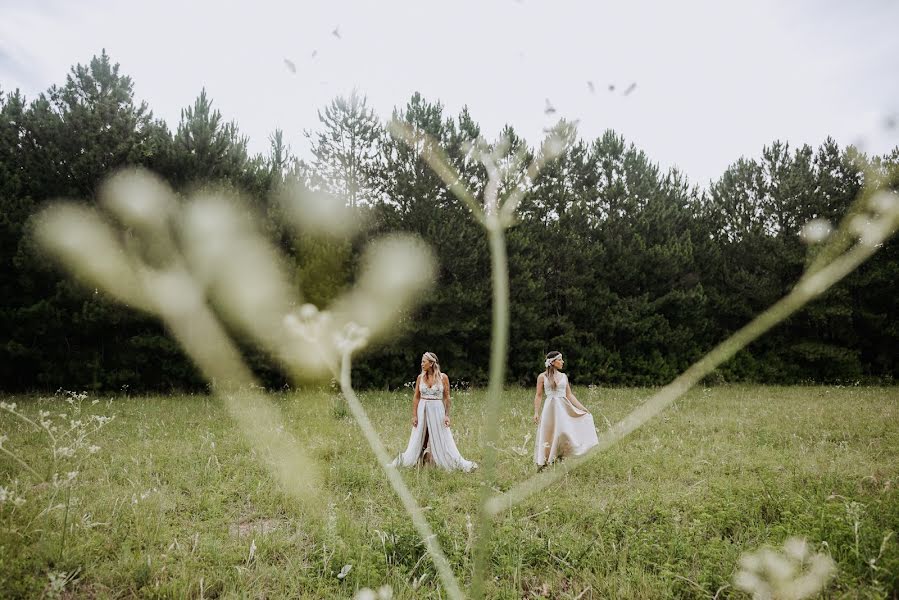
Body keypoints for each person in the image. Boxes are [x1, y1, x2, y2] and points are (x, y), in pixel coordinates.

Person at [390, 352, 477, 472]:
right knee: (420, 433)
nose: (421, 364)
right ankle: (418, 458)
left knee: (440, 435)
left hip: (437, 410)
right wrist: (414, 415)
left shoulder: (443, 377)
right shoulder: (420, 378)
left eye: (424, 362)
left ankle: (437, 458)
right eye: (421, 361)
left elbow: (447, 397)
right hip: (423, 409)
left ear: (431, 363)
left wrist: (447, 415)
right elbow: (416, 397)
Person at [533, 351, 598, 466]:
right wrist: (536, 412)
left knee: (563, 432)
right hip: (550, 410)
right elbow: (538, 395)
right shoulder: (542, 377)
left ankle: (561, 456)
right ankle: (547, 461)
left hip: (563, 409)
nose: (562, 362)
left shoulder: (564, 377)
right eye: (560, 359)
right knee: (550, 434)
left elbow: (569, 395)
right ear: (553, 362)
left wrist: (583, 408)